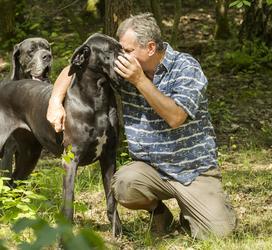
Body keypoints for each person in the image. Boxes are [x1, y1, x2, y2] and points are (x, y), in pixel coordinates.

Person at [47, 13, 236, 239]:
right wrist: (55, 101)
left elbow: (175, 117)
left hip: (192, 171)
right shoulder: (127, 71)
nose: (120, 58)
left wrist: (140, 81)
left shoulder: (186, 68)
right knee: (124, 185)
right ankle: (159, 213)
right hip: (151, 171)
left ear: (150, 47)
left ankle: (197, 210)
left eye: (126, 51)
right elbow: (76, 66)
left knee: (218, 234)